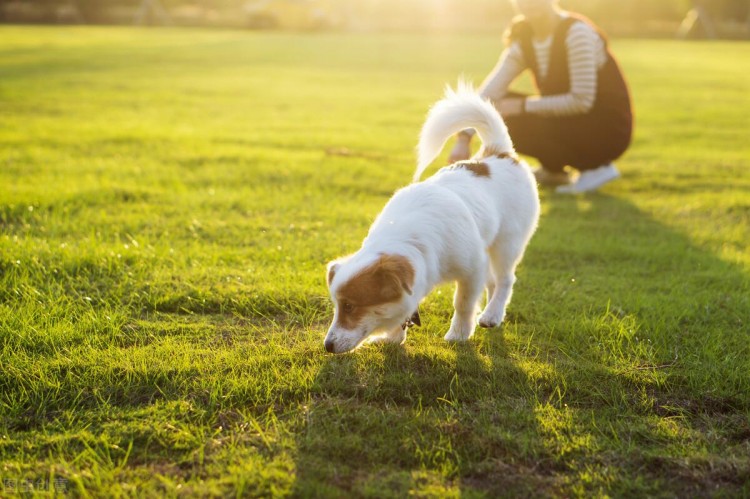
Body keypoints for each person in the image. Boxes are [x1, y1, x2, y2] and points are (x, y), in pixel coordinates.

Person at [449, 0, 633, 194]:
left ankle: (596, 167)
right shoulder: (525, 39)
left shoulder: (576, 33)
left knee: (510, 112)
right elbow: (490, 92)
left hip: (607, 128)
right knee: (497, 109)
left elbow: (581, 100)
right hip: (571, 121)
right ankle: (554, 170)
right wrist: (464, 138)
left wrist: (521, 106)